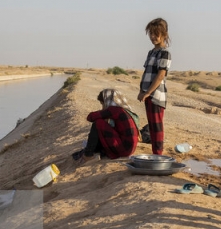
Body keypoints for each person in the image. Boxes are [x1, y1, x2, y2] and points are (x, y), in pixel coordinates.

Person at [73, 89, 140, 163]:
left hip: (124, 149)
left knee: (98, 123)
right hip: (129, 149)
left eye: (102, 104)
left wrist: (102, 113)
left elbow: (90, 117)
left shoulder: (114, 110)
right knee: (103, 125)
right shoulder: (124, 110)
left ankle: (88, 155)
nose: (103, 106)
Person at [137, 18, 171, 155]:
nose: (153, 37)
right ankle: (155, 153)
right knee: (151, 125)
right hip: (148, 94)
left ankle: (158, 155)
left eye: (156, 34)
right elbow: (147, 73)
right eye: (151, 33)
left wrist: (148, 92)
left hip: (156, 95)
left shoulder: (165, 53)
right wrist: (141, 91)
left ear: (164, 35)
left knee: (157, 126)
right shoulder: (151, 53)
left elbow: (160, 75)